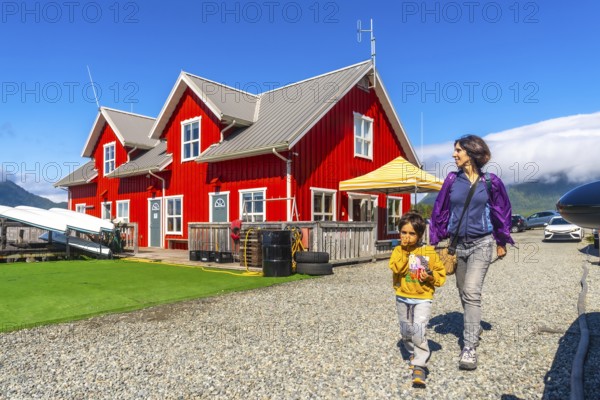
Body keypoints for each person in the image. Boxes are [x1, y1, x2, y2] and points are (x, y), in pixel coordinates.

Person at [430, 134, 514, 370]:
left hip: (482, 243)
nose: (454, 154)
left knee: (471, 291)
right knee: (462, 291)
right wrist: (435, 239)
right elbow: (440, 211)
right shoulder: (450, 180)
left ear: (471, 152)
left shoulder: (491, 182)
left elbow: (502, 211)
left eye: (458, 150)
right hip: (457, 246)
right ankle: (472, 326)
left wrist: (501, 240)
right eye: (454, 150)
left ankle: (469, 347)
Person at [389, 211, 446, 387]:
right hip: (403, 296)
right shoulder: (398, 251)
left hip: (423, 297)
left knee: (419, 330)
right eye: (403, 232)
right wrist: (406, 252)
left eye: (412, 233)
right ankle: (412, 351)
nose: (407, 236)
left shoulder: (428, 251)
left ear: (420, 235)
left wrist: (429, 277)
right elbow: (396, 268)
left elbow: (440, 275)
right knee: (406, 331)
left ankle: (420, 365)